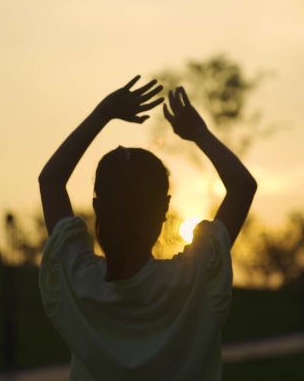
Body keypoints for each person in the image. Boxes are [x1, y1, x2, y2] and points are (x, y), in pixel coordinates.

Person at [38, 75, 257, 380]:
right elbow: (242, 186)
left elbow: (50, 181)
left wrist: (101, 115)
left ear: (98, 208)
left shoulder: (80, 281)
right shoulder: (191, 281)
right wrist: (199, 134)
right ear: (164, 210)